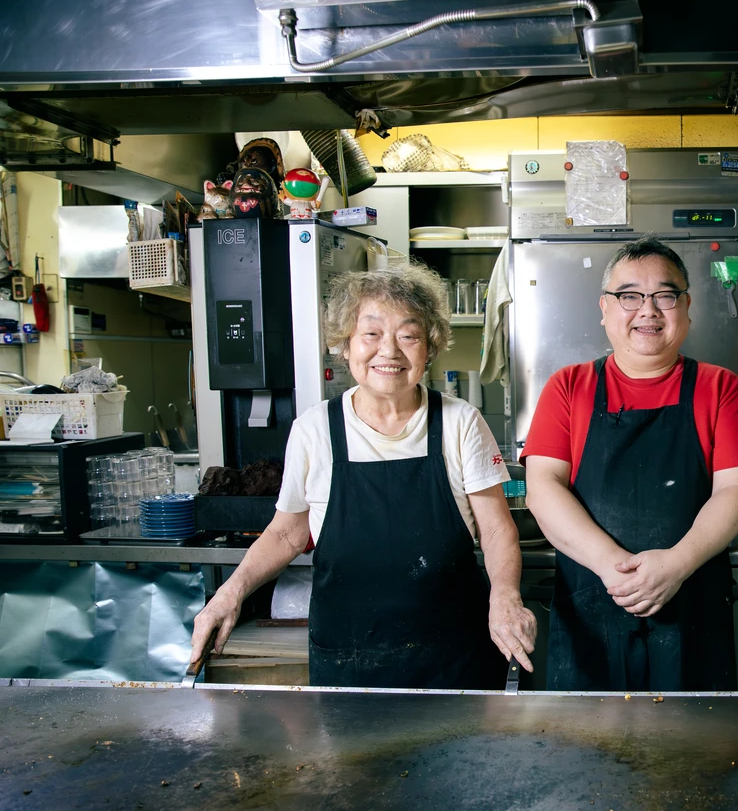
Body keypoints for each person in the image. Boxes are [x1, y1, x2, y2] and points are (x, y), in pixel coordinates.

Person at [189, 264, 536, 688]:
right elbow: (286, 534)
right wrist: (230, 593)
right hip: (348, 656)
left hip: (454, 655)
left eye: (408, 336)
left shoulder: (460, 421)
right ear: (344, 345)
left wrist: (505, 597)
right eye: (371, 334)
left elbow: (496, 529)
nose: (389, 351)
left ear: (429, 348)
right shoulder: (315, 429)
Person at [522, 236, 738, 691]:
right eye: (629, 296)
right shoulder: (568, 386)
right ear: (605, 308)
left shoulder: (721, 388)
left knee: (692, 734)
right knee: (589, 734)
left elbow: (735, 492)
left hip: (691, 604)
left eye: (665, 296)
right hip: (593, 603)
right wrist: (612, 567)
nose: (648, 311)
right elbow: (543, 487)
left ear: (686, 307)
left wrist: (675, 565)